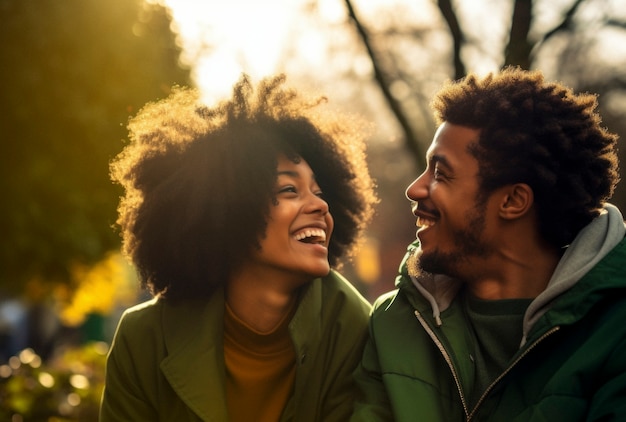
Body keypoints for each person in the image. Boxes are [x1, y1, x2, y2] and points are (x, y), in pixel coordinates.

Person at [351, 66, 625, 421]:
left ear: (512, 201)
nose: (415, 189)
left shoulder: (615, 331)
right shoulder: (393, 322)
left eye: (440, 173)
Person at [99, 74, 378, 422]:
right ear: (228, 209)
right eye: (289, 191)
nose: (320, 206)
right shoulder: (143, 339)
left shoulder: (358, 331)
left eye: (320, 193)